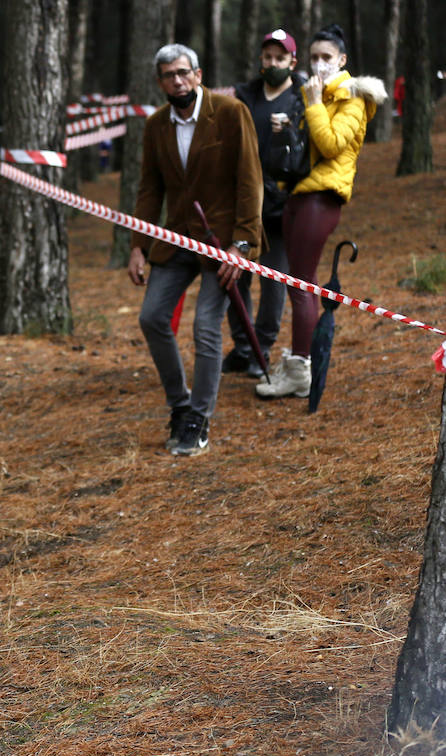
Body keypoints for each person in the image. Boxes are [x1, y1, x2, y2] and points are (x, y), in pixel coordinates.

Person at [128, 43, 263, 457]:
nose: (178, 81)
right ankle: (179, 404)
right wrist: (138, 245)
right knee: (151, 317)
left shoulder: (229, 113)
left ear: (199, 74)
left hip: (224, 243)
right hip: (176, 240)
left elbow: (249, 181)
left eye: (184, 72)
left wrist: (242, 245)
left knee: (206, 327)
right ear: (160, 82)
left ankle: (198, 418)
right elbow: (151, 189)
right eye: (169, 75)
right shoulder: (155, 126)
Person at [256, 24, 385, 399]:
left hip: (323, 197)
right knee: (300, 281)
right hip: (299, 192)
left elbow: (330, 144)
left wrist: (312, 105)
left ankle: (299, 369)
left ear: (342, 60)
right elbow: (306, 145)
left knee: (300, 282)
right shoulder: (318, 94)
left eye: (327, 57)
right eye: (313, 58)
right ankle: (300, 361)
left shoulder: (353, 97)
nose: (318, 64)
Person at [224, 28, 309, 379]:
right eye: (268, 57)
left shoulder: (303, 100)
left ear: (292, 61)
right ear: (261, 60)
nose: (273, 63)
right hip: (244, 205)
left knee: (273, 279)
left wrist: (290, 134)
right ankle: (243, 347)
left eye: (280, 57)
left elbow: (308, 152)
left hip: (280, 207)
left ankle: (263, 347)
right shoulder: (244, 96)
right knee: (235, 275)